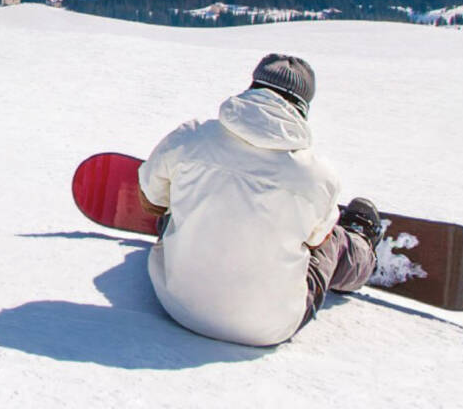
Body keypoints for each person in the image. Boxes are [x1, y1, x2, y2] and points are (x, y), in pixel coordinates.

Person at [137, 53, 383, 347]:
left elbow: (151, 201)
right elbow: (317, 242)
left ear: (252, 87)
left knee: (178, 204)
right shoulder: (318, 176)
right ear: (303, 107)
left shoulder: (190, 137)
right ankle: (361, 250)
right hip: (266, 327)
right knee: (334, 241)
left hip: (177, 304)